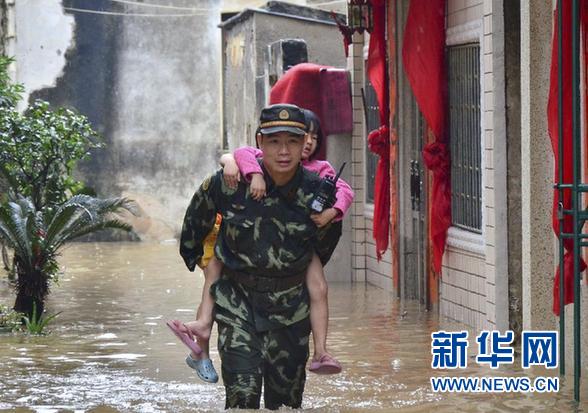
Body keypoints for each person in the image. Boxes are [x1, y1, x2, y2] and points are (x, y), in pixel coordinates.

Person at [178, 103, 342, 409]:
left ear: (303, 144)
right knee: (242, 395)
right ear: (259, 142)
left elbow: (326, 241)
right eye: (274, 142)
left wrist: (297, 267)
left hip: (291, 312)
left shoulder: (317, 194)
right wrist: (202, 263)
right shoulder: (230, 183)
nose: (284, 151)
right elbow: (195, 220)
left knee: (284, 403)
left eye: (292, 141)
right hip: (237, 304)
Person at [223, 109, 353, 372]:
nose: (307, 144)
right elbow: (239, 153)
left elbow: (346, 190)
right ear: (265, 142)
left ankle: (321, 351)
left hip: (301, 247)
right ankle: (203, 335)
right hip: (261, 255)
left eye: (309, 138)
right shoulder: (264, 161)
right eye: (278, 141)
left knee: (319, 288)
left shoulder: (321, 171)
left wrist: (332, 212)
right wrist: (254, 174)